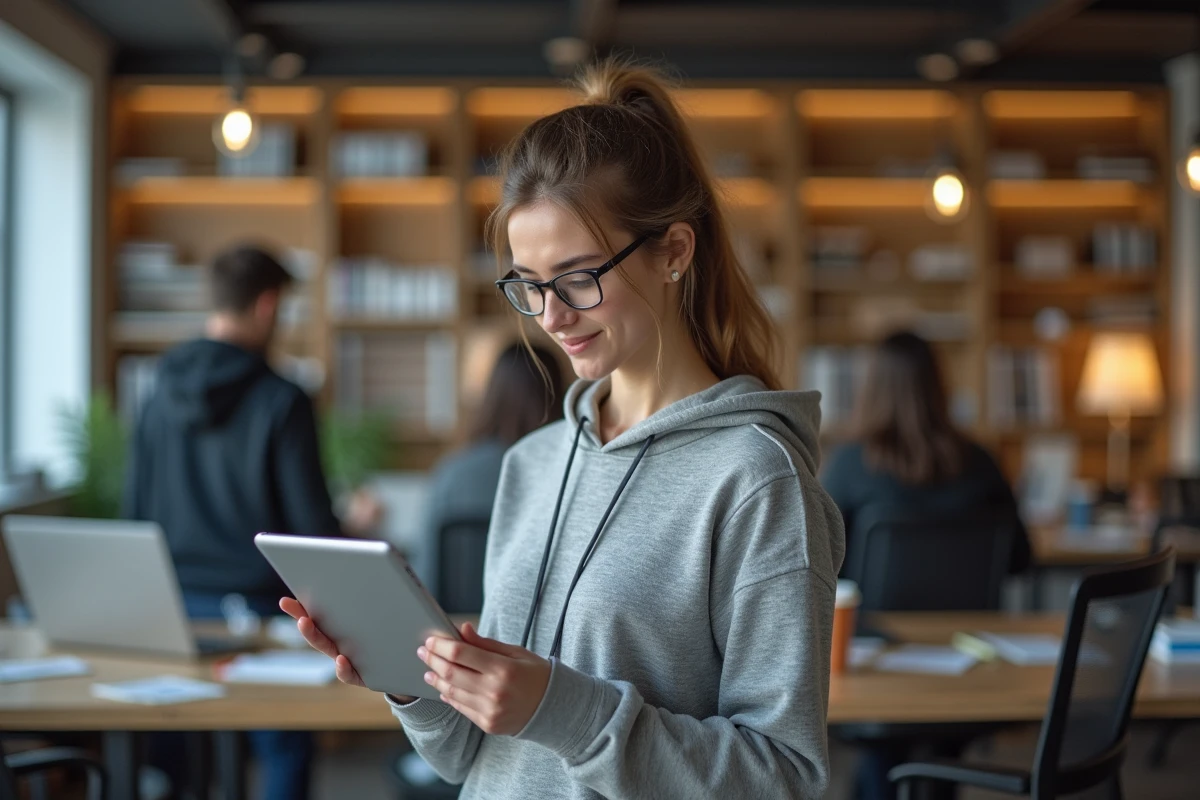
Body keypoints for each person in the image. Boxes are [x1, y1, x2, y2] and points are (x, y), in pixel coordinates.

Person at [283, 58, 845, 799]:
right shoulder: (532, 463)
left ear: (674, 251)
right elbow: (474, 758)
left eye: (579, 278)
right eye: (529, 285)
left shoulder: (756, 477)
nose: (550, 317)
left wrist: (564, 711)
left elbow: (784, 779)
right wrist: (415, 680)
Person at [123, 243, 377, 800]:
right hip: (263, 619)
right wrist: (354, 528)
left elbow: (135, 510)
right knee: (284, 750)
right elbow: (308, 535)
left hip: (173, 613)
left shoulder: (157, 391)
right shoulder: (282, 399)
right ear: (267, 306)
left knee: (171, 760)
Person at [820, 330, 1031, 800]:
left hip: (875, 666)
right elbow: (1020, 560)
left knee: (883, 759)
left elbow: (816, 567)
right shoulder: (981, 462)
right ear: (939, 385)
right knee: (933, 760)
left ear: (871, 389)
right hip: (969, 664)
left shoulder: (849, 464)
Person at [417, 341, 565, 606]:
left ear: (492, 394)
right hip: (535, 640)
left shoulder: (452, 473)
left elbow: (424, 580)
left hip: (460, 632)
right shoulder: (568, 472)